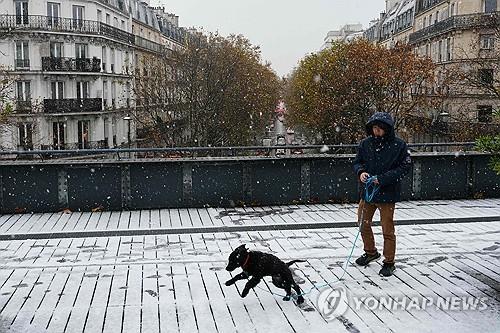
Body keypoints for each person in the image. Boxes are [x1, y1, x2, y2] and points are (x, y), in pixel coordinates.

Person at [353, 112, 412, 277]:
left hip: (387, 194)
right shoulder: (365, 144)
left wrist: (383, 179)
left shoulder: (399, 145)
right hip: (368, 193)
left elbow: (405, 167)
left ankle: (389, 262)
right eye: (374, 128)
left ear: (386, 129)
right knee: (363, 224)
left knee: (387, 229)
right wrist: (361, 172)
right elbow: (357, 162)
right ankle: (371, 252)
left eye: (379, 129)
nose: (376, 131)